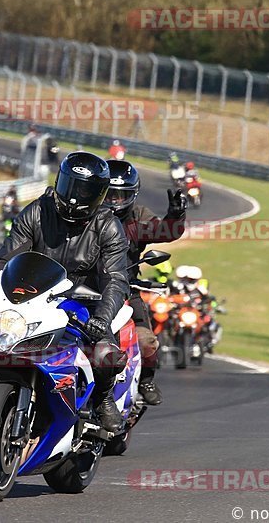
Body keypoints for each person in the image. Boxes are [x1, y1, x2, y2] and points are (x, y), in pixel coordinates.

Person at [0, 151, 130, 432]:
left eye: (84, 191)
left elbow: (115, 279)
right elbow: (5, 257)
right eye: (69, 186)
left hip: (83, 298)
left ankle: (103, 399)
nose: (74, 197)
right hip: (31, 294)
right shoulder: (37, 211)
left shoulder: (108, 225)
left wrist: (103, 318)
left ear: (99, 195)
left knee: (105, 354)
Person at [102, 159, 187, 405]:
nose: (114, 201)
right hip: (82, 286)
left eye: (120, 195)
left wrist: (175, 216)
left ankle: (147, 379)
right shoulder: (87, 214)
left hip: (125, 288)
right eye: (109, 194)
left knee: (146, 340)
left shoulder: (137, 215)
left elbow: (164, 232)